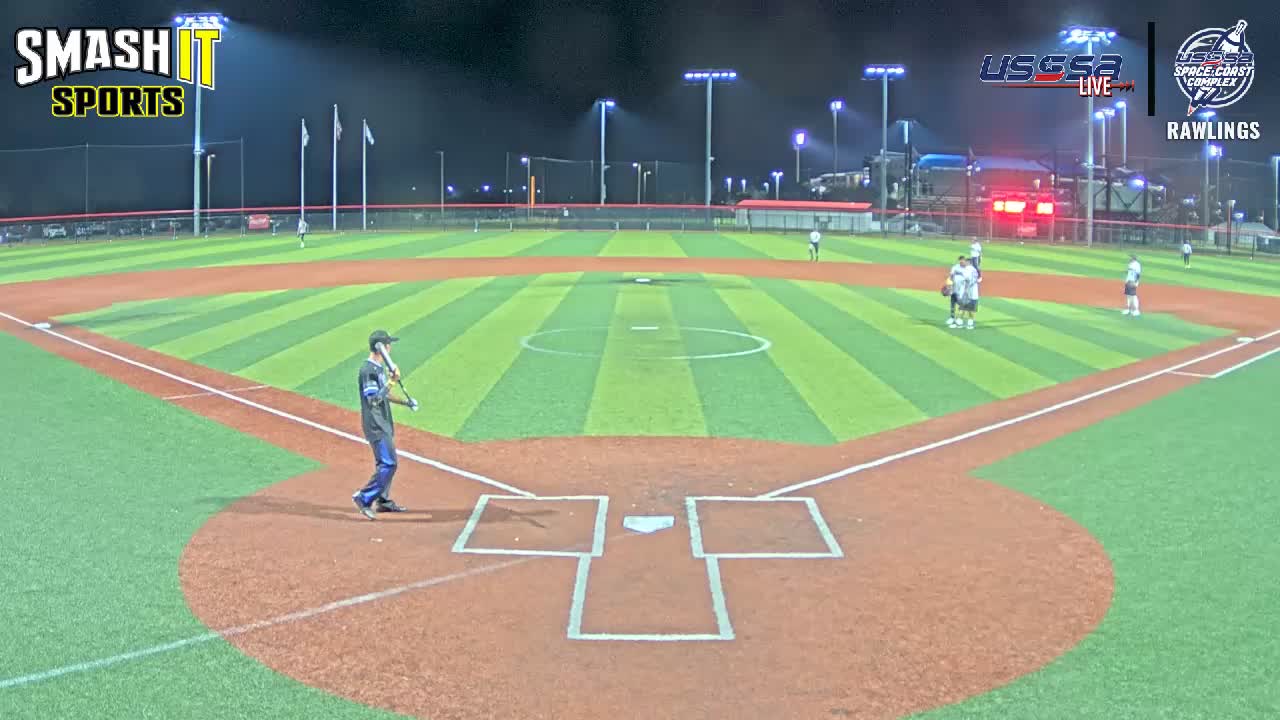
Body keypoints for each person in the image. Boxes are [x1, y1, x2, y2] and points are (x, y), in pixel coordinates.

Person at [352, 330, 418, 520]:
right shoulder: (368, 370)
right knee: (389, 464)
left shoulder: (378, 368)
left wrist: (406, 402)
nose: (390, 347)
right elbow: (373, 399)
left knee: (385, 463)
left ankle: (383, 500)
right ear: (383, 347)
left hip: (383, 422)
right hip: (376, 424)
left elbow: (385, 395)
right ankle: (363, 498)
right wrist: (391, 382)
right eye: (388, 344)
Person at [955, 258, 981, 329]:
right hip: (974, 294)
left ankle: (959, 323)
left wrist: (965, 291)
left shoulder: (967, 269)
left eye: (966, 262)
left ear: (969, 262)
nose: (964, 263)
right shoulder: (974, 270)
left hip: (967, 293)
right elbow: (977, 280)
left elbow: (966, 280)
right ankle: (970, 324)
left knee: (962, 308)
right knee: (971, 310)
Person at [946, 255, 969, 328]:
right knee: (952, 303)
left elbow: (968, 280)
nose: (962, 262)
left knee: (961, 303)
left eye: (963, 261)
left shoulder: (967, 269)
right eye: (960, 261)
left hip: (962, 289)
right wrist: (949, 286)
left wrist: (966, 290)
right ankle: (952, 318)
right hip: (954, 287)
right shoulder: (955, 267)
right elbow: (951, 276)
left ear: (965, 261)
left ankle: (959, 318)